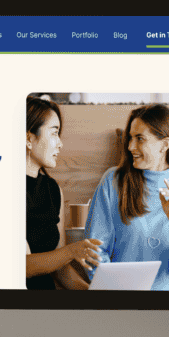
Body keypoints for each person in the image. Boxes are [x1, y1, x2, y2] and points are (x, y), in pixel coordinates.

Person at [85, 103, 169, 290]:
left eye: (140, 139)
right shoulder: (113, 181)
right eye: (130, 138)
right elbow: (94, 252)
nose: (130, 146)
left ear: (164, 145)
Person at [25, 96, 102, 290]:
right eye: (54, 133)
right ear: (28, 138)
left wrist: (90, 291)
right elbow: (22, 266)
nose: (60, 144)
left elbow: (60, 269)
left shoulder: (53, 190)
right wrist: (71, 251)